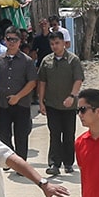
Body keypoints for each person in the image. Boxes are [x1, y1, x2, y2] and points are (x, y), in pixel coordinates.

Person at [37, 30, 84, 176]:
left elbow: (78, 80)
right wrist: (41, 102)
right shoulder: (46, 61)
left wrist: (72, 96)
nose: (54, 46)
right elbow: (42, 82)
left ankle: (68, 163)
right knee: (54, 134)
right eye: (52, 44)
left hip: (69, 105)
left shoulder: (73, 60)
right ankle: (54, 164)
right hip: (52, 104)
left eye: (57, 43)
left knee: (69, 134)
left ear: (64, 43)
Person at [0, 27, 38, 164]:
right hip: (3, 104)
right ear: (4, 40)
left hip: (22, 104)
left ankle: (21, 164)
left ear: (20, 42)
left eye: (15, 40)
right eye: (9, 39)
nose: (11, 42)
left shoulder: (27, 61)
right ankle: (9, 160)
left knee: (21, 135)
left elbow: (32, 83)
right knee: (4, 134)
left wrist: (17, 96)